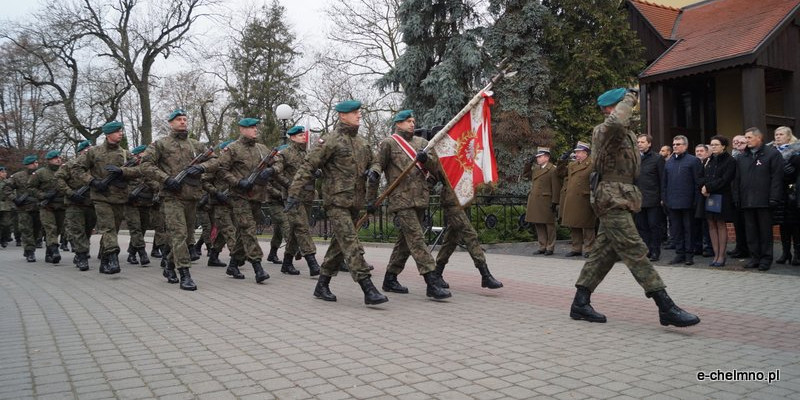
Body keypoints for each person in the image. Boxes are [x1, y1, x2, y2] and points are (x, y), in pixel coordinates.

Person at [569, 87, 700, 327]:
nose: (629, 109)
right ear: (612, 108)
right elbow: (616, 122)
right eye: (624, 105)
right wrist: (630, 96)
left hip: (623, 195)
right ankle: (665, 305)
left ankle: (580, 302)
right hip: (611, 197)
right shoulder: (606, 130)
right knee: (635, 248)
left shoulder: (627, 134)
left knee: (603, 254)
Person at [286, 99, 388, 305]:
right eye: (354, 113)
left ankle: (321, 285)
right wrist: (293, 194)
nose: (359, 115)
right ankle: (368, 288)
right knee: (351, 243)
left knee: (338, 245)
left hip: (355, 202)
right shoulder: (330, 140)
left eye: (359, 112)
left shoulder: (362, 142)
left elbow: (375, 160)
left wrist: (375, 171)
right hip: (337, 202)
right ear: (343, 116)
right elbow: (308, 166)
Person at [376, 110, 451, 300]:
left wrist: (427, 160)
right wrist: (371, 199)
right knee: (417, 239)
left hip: (420, 198)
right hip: (401, 200)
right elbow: (377, 167)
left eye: (413, 121)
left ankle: (390, 278)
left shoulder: (422, 144)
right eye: (408, 121)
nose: (412, 124)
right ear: (398, 124)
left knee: (405, 242)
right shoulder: (389, 143)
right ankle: (431, 282)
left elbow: (437, 169)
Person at [141, 109, 214, 290]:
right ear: (170, 123)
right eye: (178, 120)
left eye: (184, 119)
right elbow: (145, 165)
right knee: (179, 234)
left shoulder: (196, 145)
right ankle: (185, 273)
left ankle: (169, 264)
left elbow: (216, 161)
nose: (182, 122)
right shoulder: (161, 144)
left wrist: (201, 168)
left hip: (192, 197)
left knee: (187, 236)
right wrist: (166, 179)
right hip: (171, 197)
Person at [74, 121, 141, 274]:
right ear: (108, 134)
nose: (120, 134)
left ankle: (104, 262)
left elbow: (139, 170)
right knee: (108, 227)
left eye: (121, 131)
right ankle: (113, 258)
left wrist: (122, 172)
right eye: (117, 131)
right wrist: (93, 181)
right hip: (100, 196)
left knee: (112, 231)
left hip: (119, 197)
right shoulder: (94, 152)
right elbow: (77, 169)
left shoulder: (126, 154)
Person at [214, 118, 273, 283]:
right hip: (240, 196)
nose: (255, 130)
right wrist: (237, 182)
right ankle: (257, 266)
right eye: (251, 127)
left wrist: (270, 171)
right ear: (241, 129)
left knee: (242, 232)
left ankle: (233, 264)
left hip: (257, 196)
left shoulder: (262, 149)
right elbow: (221, 169)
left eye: (255, 127)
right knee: (248, 229)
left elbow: (274, 164)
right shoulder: (232, 149)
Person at [433, 173, 503, 289]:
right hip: (452, 200)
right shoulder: (448, 156)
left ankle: (437, 273)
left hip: (463, 198)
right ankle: (485, 275)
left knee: (451, 238)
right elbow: (435, 172)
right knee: (469, 234)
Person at [272, 125, 321, 276]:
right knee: (301, 227)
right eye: (300, 135)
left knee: (294, 230)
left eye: (303, 135)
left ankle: (286, 264)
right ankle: (312, 263)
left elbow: (308, 172)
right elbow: (276, 172)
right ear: (292, 137)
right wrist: (289, 185)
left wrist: (316, 172)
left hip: (307, 197)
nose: (303, 137)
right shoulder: (285, 153)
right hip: (293, 198)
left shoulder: (307, 153)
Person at [733, 127, 783, 271]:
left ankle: (766, 259)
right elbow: (737, 180)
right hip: (747, 200)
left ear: (759, 138)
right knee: (751, 232)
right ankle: (754, 258)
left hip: (764, 201)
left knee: (765, 232)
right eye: (746, 138)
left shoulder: (772, 155)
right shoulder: (742, 157)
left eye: (749, 138)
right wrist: (737, 197)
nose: (746, 140)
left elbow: (777, 179)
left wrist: (774, 197)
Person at [55, 140, 96, 271]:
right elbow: (58, 179)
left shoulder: (95, 166)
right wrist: (70, 193)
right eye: (87, 150)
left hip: (91, 202)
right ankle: (82, 255)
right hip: (74, 203)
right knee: (77, 229)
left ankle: (82, 250)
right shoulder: (70, 165)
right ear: (80, 152)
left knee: (88, 229)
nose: (89, 152)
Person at [663, 135, 702, 265]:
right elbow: (665, 183)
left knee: (689, 230)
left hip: (688, 202)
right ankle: (679, 254)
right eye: (674, 144)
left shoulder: (693, 161)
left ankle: (689, 255)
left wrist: (696, 200)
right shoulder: (669, 162)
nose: (675, 146)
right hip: (672, 202)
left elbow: (698, 182)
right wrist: (665, 198)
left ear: (685, 146)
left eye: (678, 144)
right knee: (676, 230)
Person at [700, 136, 736, 267]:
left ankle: (721, 255)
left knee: (720, 224)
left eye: (716, 144)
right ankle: (715, 255)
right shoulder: (709, 160)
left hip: (722, 196)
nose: (713, 146)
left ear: (723, 146)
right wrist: (703, 187)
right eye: (711, 144)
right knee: (711, 224)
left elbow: (725, 179)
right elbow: (703, 176)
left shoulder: (730, 161)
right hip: (709, 196)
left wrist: (708, 187)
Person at [201, 140, 236, 267]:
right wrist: (216, 192)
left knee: (223, 232)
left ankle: (214, 255)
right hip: (219, 203)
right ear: (222, 151)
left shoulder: (235, 165)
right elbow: (204, 181)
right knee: (229, 230)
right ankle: (236, 259)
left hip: (232, 202)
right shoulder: (216, 165)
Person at [559, 141, 596, 257]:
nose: (577, 155)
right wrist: (561, 160)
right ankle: (576, 248)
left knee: (587, 226)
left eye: (579, 152)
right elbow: (559, 173)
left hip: (585, 198)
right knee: (574, 224)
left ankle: (590, 249)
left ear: (585, 153)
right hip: (572, 198)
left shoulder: (592, 164)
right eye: (576, 152)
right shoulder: (572, 165)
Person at [769, 126, 800, 265]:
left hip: (792, 191)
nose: (777, 137)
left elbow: (792, 172)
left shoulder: (796, 151)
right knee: (783, 224)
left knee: (795, 224)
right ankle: (785, 253)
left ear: (789, 136)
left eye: (781, 134)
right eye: (776, 134)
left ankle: (797, 254)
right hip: (778, 191)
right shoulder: (770, 151)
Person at [29, 150, 66, 264]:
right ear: (49, 160)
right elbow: (31, 187)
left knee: (58, 229)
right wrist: (43, 195)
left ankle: (49, 253)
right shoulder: (40, 173)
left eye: (59, 157)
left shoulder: (65, 171)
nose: (58, 159)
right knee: (51, 228)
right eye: (55, 158)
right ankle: (55, 251)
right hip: (47, 206)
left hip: (61, 206)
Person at [523, 147, 561, 255]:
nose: (538, 159)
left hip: (546, 200)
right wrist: (528, 164)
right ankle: (542, 245)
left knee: (549, 225)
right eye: (537, 157)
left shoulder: (553, 169)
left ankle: (550, 247)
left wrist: (555, 202)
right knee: (538, 223)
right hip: (535, 200)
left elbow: (556, 187)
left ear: (547, 157)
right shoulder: (536, 169)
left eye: (540, 157)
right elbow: (526, 175)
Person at [123, 145, 157, 267]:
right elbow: (120, 183)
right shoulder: (128, 166)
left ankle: (132, 253)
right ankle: (142, 253)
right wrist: (128, 194)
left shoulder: (148, 167)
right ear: (138, 154)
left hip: (146, 203)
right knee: (136, 228)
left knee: (142, 229)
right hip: (131, 203)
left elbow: (153, 182)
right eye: (144, 153)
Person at [634, 134, 665, 261]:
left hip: (653, 199)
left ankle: (655, 251)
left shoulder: (657, 159)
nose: (639, 144)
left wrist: (663, 197)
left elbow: (662, 179)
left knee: (654, 226)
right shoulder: (635, 158)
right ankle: (646, 250)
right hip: (638, 199)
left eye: (642, 142)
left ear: (649, 144)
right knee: (642, 227)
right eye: (638, 142)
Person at [5, 155, 42, 262]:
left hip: (38, 207)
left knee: (36, 230)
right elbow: (6, 187)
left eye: (36, 162)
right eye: (34, 163)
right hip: (24, 208)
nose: (36, 164)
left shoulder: (40, 175)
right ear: (28, 165)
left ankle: (30, 247)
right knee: (26, 230)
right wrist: (14, 198)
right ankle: (30, 251)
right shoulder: (18, 176)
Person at [727, 135, 750, 259]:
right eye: (735, 141)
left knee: (746, 225)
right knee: (738, 225)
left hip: (745, 196)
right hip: (733, 195)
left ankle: (747, 249)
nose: (737, 143)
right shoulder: (732, 156)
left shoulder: (747, 156)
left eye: (740, 141)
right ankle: (739, 247)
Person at [0, 166, 12, 247]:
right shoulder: (6, 182)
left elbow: (12, 192)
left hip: (6, 206)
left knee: (6, 224)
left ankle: (4, 238)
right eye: (3, 172)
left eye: (5, 172)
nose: (5, 173)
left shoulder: (9, 182)